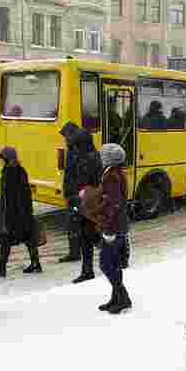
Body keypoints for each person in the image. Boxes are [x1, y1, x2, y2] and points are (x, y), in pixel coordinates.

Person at [59, 122, 103, 284]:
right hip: (77, 198)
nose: (66, 141)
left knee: (90, 235)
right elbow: (71, 177)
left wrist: (82, 196)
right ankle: (87, 269)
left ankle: (107, 260)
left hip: (86, 200)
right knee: (84, 234)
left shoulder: (88, 156)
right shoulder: (78, 153)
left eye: (68, 139)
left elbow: (92, 181)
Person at [0, 147, 42, 277]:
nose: (1, 161)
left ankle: (1, 267)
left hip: (13, 213)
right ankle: (35, 263)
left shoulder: (8, 172)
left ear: (7, 159)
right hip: (23, 212)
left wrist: (7, 216)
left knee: (6, 240)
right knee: (28, 238)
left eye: (2, 158)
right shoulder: (20, 170)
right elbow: (25, 193)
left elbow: (9, 197)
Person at [96, 143, 133, 314]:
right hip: (119, 225)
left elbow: (113, 203)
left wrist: (107, 225)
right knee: (114, 264)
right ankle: (117, 298)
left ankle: (122, 298)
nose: (101, 157)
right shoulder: (117, 173)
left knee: (106, 264)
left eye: (104, 155)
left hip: (113, 227)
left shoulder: (111, 176)